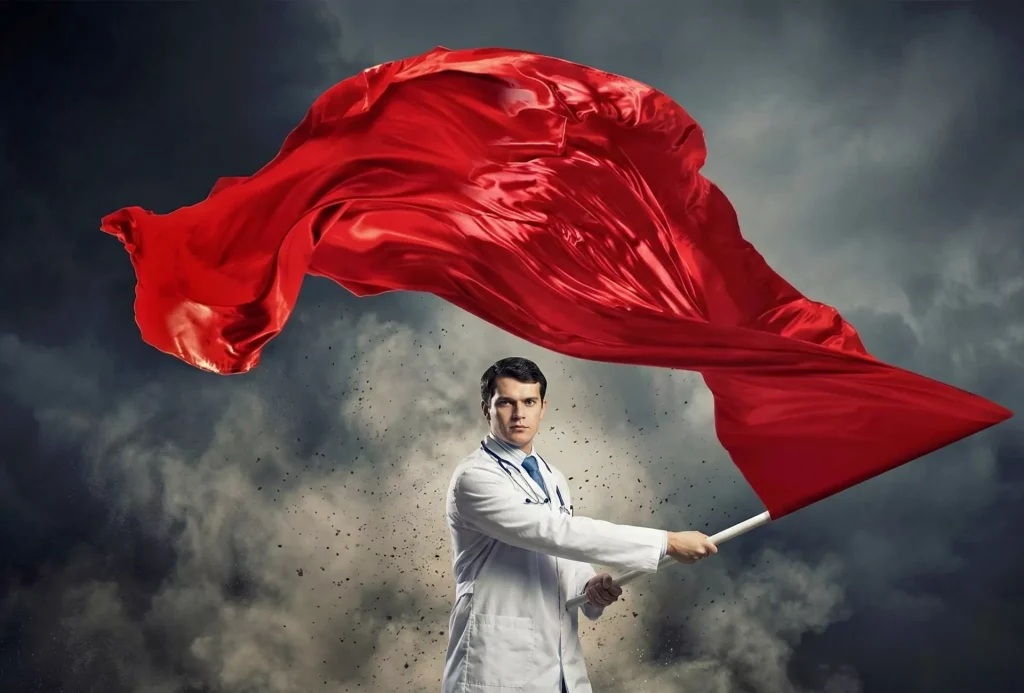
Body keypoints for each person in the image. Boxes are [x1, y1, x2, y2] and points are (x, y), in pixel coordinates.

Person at [441, 357, 718, 693]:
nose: (519, 414)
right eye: (506, 403)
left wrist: (589, 588)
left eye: (529, 402)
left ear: (543, 408)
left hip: (557, 662)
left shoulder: (551, 476)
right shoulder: (475, 478)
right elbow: (553, 532)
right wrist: (666, 542)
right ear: (487, 408)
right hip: (497, 662)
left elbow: (562, 552)